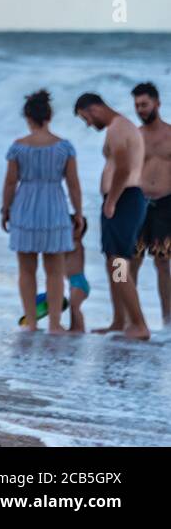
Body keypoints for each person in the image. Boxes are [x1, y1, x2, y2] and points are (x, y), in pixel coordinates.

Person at [1, 90, 83, 333]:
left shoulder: (18, 147)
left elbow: (10, 183)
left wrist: (5, 210)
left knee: (26, 270)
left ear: (28, 117)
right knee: (55, 271)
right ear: (49, 116)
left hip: (25, 207)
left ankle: (32, 323)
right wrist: (78, 213)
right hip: (54, 208)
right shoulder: (64, 147)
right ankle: (55, 324)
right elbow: (73, 183)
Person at [74, 92, 150, 339]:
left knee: (118, 261)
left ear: (94, 109)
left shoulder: (118, 128)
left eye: (86, 118)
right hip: (126, 198)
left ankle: (138, 324)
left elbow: (124, 167)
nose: (88, 124)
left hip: (124, 199)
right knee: (114, 262)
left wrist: (112, 201)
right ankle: (120, 320)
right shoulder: (120, 126)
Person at [131, 82, 171, 325]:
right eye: (136, 106)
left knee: (163, 262)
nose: (140, 109)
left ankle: (168, 321)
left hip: (166, 205)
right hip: (136, 204)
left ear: (157, 103)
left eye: (144, 104)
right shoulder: (134, 136)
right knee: (126, 262)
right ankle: (126, 316)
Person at [66, 216, 90, 332]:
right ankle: (73, 327)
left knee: (75, 307)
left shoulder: (76, 244)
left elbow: (64, 251)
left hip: (79, 282)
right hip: (74, 282)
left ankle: (80, 328)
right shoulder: (72, 243)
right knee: (72, 306)